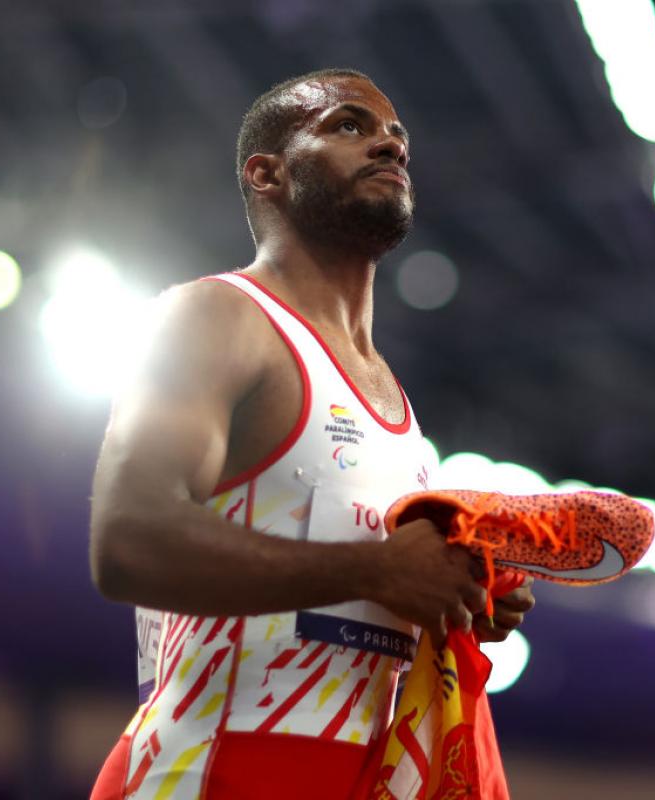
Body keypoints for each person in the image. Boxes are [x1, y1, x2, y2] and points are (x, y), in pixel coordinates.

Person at [88, 68, 535, 800]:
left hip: (356, 778)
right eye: (349, 126)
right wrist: (375, 573)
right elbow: (128, 539)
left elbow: (360, 595)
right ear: (267, 174)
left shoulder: (394, 400)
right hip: (209, 770)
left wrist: (454, 597)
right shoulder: (217, 317)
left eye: (397, 137)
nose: (389, 145)